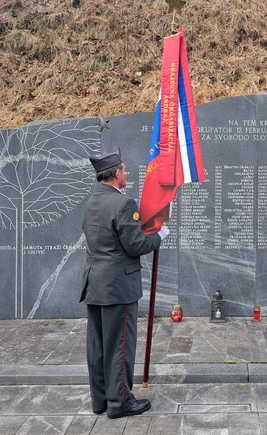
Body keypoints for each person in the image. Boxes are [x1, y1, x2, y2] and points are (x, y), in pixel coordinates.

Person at [80, 147, 170, 419]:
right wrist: (160, 235)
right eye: (124, 170)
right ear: (116, 174)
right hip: (118, 285)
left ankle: (101, 401)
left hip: (94, 282)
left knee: (98, 347)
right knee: (119, 345)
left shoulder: (93, 200)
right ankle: (120, 404)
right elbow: (135, 245)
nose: (126, 173)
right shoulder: (123, 203)